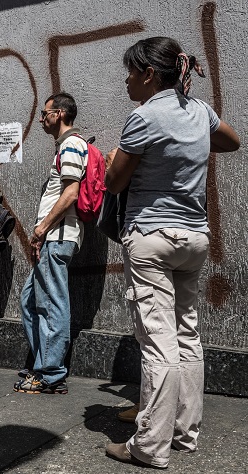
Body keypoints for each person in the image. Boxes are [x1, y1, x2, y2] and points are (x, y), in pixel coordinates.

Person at [104, 37, 240, 468]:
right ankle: (185, 434)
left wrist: (116, 159)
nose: (126, 80)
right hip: (194, 238)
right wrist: (192, 138)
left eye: (130, 71)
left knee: (158, 343)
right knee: (188, 336)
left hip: (152, 238)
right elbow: (232, 142)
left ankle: (150, 446)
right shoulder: (198, 112)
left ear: (149, 74)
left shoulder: (142, 118)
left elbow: (114, 184)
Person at [14, 92, 86, 395]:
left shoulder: (71, 144)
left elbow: (70, 193)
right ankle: (44, 364)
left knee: (53, 303)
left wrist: (42, 228)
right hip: (52, 238)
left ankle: (52, 374)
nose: (42, 119)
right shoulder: (65, 147)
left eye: (45, 114)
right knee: (29, 301)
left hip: (56, 239)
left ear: (58, 114)